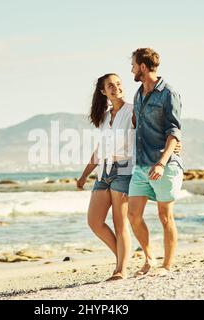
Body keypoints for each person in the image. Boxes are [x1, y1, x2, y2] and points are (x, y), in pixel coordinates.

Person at [128, 48, 184, 277]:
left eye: (133, 64)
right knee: (133, 215)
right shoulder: (138, 93)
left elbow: (174, 131)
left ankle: (167, 265)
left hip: (163, 165)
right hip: (141, 165)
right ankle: (149, 258)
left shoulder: (168, 93)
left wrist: (162, 162)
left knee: (165, 216)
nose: (131, 69)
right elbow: (136, 123)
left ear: (142, 66)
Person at [77, 73, 134, 281]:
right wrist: (84, 175)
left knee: (120, 223)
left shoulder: (132, 110)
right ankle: (122, 256)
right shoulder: (104, 117)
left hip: (124, 170)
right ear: (103, 91)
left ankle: (121, 269)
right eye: (110, 86)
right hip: (103, 172)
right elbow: (100, 149)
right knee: (94, 221)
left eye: (118, 84)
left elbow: (149, 132)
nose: (116, 88)